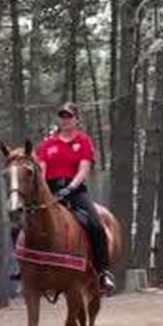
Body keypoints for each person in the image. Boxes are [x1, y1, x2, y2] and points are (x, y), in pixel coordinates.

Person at [27, 102, 115, 293]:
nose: (65, 120)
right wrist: (43, 191)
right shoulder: (48, 144)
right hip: (49, 191)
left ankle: (102, 272)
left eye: (69, 116)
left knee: (96, 226)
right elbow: (42, 171)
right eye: (63, 116)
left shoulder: (83, 141)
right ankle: (25, 269)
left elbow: (84, 169)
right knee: (23, 224)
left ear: (77, 119)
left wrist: (70, 188)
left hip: (75, 191)